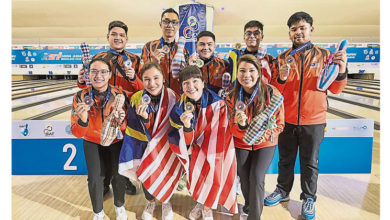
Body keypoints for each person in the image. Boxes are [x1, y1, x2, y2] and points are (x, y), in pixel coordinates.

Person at [265, 12, 348, 220]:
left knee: (310, 162)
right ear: (289, 33)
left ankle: (309, 198)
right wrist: (281, 79)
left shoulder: (325, 56)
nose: (298, 32)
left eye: (302, 28)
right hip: (288, 119)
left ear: (311, 29)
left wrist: (342, 70)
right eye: (294, 29)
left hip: (314, 120)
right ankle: (282, 191)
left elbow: (336, 89)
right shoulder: (283, 58)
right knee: (285, 159)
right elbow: (275, 92)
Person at [77, 20, 140, 195]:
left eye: (121, 35)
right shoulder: (98, 59)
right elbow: (85, 88)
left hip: (124, 110)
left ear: (126, 39)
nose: (118, 38)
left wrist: (134, 77)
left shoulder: (135, 59)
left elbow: (142, 89)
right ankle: (104, 183)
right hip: (100, 110)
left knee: (122, 147)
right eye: (114, 34)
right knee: (103, 148)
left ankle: (124, 180)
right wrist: (82, 80)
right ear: (108, 37)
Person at [168, 66, 238, 220]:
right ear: (181, 86)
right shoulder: (179, 108)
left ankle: (207, 208)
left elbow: (220, 133)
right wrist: (187, 129)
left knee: (212, 176)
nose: (191, 86)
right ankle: (200, 203)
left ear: (203, 82)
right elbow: (177, 138)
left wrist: (204, 147)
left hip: (213, 149)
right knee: (197, 178)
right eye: (186, 83)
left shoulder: (217, 103)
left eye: (195, 81)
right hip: (192, 150)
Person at [225, 54, 284, 220]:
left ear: (258, 73)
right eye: (242, 70)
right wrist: (242, 125)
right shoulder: (231, 97)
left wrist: (263, 135)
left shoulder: (272, 93)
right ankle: (250, 205)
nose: (247, 75)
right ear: (237, 74)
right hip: (242, 142)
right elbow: (231, 128)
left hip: (265, 143)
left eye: (251, 70)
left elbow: (280, 124)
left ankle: (254, 216)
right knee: (244, 177)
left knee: (257, 176)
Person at [118, 62, 180, 220]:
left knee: (166, 173)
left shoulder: (172, 96)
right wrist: (144, 119)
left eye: (156, 78)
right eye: (147, 79)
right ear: (142, 80)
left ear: (163, 79)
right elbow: (133, 129)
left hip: (166, 145)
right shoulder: (137, 98)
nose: (152, 83)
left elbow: (175, 123)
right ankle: (151, 202)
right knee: (145, 174)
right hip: (144, 146)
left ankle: (166, 201)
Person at [71, 58, 129, 220]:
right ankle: (98, 211)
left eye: (103, 71)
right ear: (88, 74)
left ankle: (119, 206)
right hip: (91, 141)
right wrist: (82, 119)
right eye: (94, 71)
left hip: (116, 141)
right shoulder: (80, 96)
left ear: (110, 74)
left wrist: (121, 121)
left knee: (119, 175)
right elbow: (76, 132)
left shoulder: (120, 94)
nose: (99, 75)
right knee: (95, 177)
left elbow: (129, 122)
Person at [140, 8, 189, 94]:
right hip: (155, 94)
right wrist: (152, 61)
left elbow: (188, 76)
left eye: (174, 22)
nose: (170, 25)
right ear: (160, 24)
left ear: (178, 26)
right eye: (166, 22)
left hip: (177, 95)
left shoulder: (183, 50)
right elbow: (141, 73)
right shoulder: (149, 47)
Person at [228, 20, 276, 85]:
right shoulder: (236, 57)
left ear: (262, 37)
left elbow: (274, 84)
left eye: (256, 33)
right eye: (248, 33)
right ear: (244, 37)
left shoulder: (269, 60)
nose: (252, 36)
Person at [193, 30, 230, 95]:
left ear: (214, 46)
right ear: (196, 46)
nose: (206, 48)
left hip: (219, 103)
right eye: (202, 44)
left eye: (209, 44)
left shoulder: (225, 65)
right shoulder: (191, 66)